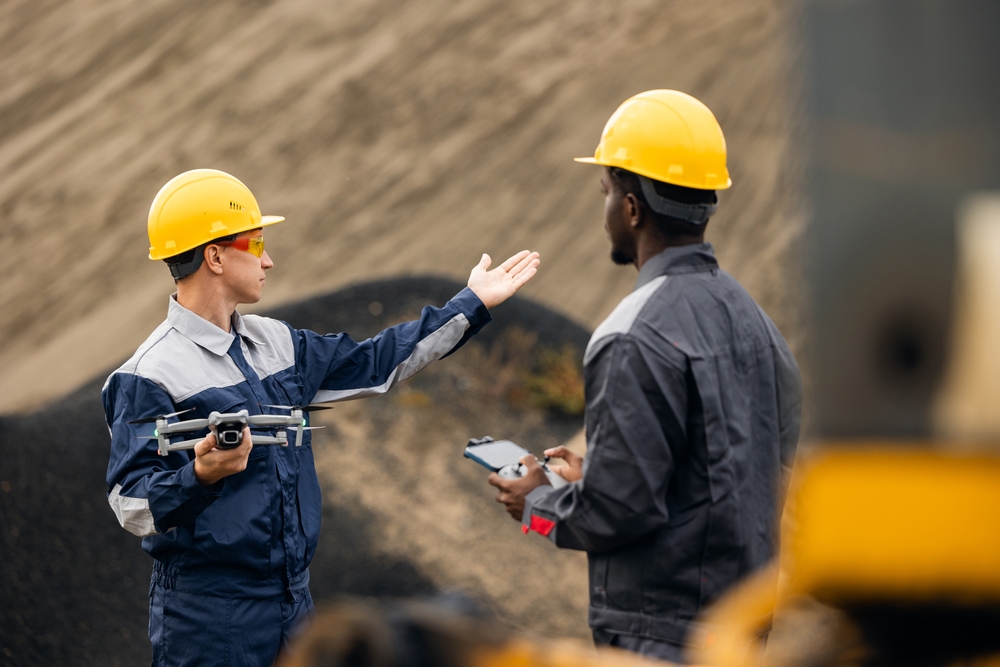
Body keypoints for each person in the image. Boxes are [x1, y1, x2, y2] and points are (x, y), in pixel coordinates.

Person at [102, 168, 540, 667]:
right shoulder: (147, 375)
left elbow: (377, 362)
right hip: (210, 620)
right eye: (256, 241)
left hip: (293, 603)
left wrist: (472, 303)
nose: (269, 258)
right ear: (215, 255)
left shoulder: (277, 342)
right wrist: (200, 476)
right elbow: (130, 504)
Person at [488, 90, 802, 663]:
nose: (604, 208)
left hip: (660, 636)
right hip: (743, 630)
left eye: (606, 193)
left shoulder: (632, 334)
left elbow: (621, 511)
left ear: (632, 209)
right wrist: (603, 471)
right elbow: (746, 473)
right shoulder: (758, 326)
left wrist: (536, 506)